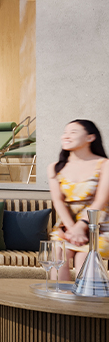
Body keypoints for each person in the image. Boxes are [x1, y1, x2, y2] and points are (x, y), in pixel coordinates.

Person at [48, 119, 109, 281]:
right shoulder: (55, 167)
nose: (66, 136)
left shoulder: (104, 165)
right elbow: (58, 201)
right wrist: (71, 229)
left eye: (73, 132)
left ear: (90, 138)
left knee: (83, 258)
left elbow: (101, 200)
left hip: (98, 226)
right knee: (58, 255)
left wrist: (81, 226)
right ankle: (60, 302)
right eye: (65, 132)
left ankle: (87, 304)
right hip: (67, 226)